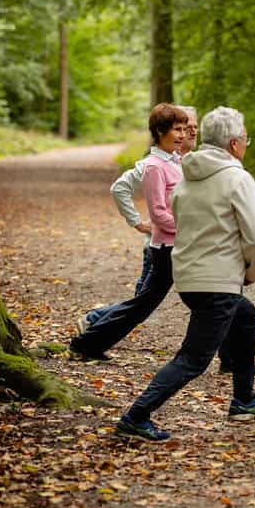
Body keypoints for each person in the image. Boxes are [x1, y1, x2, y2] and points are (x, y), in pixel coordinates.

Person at [115, 106, 255, 441]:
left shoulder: (188, 173)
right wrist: (251, 273)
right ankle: (135, 416)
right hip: (217, 282)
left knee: (246, 316)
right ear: (234, 144)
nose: (246, 143)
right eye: (245, 138)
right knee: (192, 359)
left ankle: (244, 400)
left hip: (189, 277)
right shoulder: (237, 178)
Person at [69, 103, 188, 361]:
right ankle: (85, 343)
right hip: (166, 247)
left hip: (178, 245)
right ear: (159, 131)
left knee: (142, 304)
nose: (181, 134)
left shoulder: (176, 161)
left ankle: (88, 340)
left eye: (183, 129)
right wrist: (187, 230)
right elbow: (158, 213)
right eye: (176, 129)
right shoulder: (154, 166)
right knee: (141, 305)